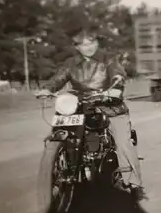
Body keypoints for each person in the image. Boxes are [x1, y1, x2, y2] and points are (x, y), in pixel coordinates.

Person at [35, 29, 146, 200]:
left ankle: (134, 183)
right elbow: (58, 78)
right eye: (83, 44)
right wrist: (47, 89)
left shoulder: (108, 59)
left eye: (91, 43)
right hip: (79, 104)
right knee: (60, 124)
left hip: (108, 104)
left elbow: (117, 73)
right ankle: (66, 161)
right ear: (77, 47)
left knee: (123, 143)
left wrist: (115, 87)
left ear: (96, 43)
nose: (88, 47)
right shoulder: (70, 63)